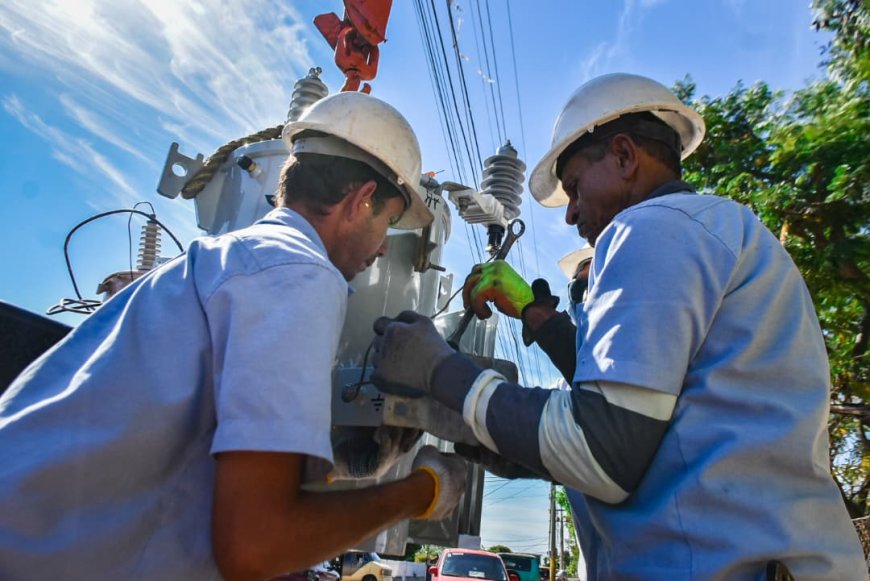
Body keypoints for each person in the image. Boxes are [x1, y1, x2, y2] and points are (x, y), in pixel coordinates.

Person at [368, 73, 867, 579]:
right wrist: (532, 329)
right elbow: (651, 437)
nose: (571, 216)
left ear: (625, 156)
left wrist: (442, 371)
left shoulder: (652, 226)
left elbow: (603, 451)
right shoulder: (719, 230)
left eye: (576, 188)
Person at [0, 92, 467, 580]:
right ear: (360, 200)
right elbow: (256, 545)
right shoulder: (298, 273)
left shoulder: (226, 260)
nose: (381, 247)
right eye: (389, 223)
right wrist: (425, 490)